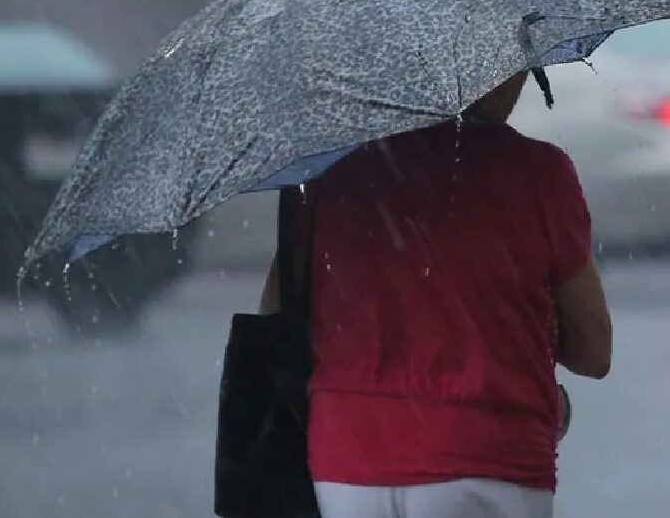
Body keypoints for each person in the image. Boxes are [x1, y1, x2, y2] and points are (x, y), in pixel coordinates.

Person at [260, 71, 612, 518]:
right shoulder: (538, 171)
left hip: (347, 462)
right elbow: (594, 352)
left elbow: (275, 317)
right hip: (487, 456)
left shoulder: (330, 169)